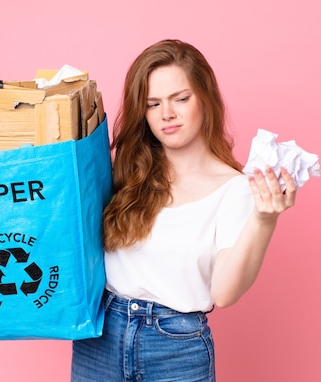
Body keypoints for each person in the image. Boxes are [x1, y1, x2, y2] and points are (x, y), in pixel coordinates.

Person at [71, 39, 297, 382]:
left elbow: (224, 292)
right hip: (101, 336)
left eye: (180, 98)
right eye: (153, 104)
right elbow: (69, 237)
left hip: (175, 346)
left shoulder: (235, 190)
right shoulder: (125, 172)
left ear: (205, 99)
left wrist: (264, 219)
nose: (167, 114)